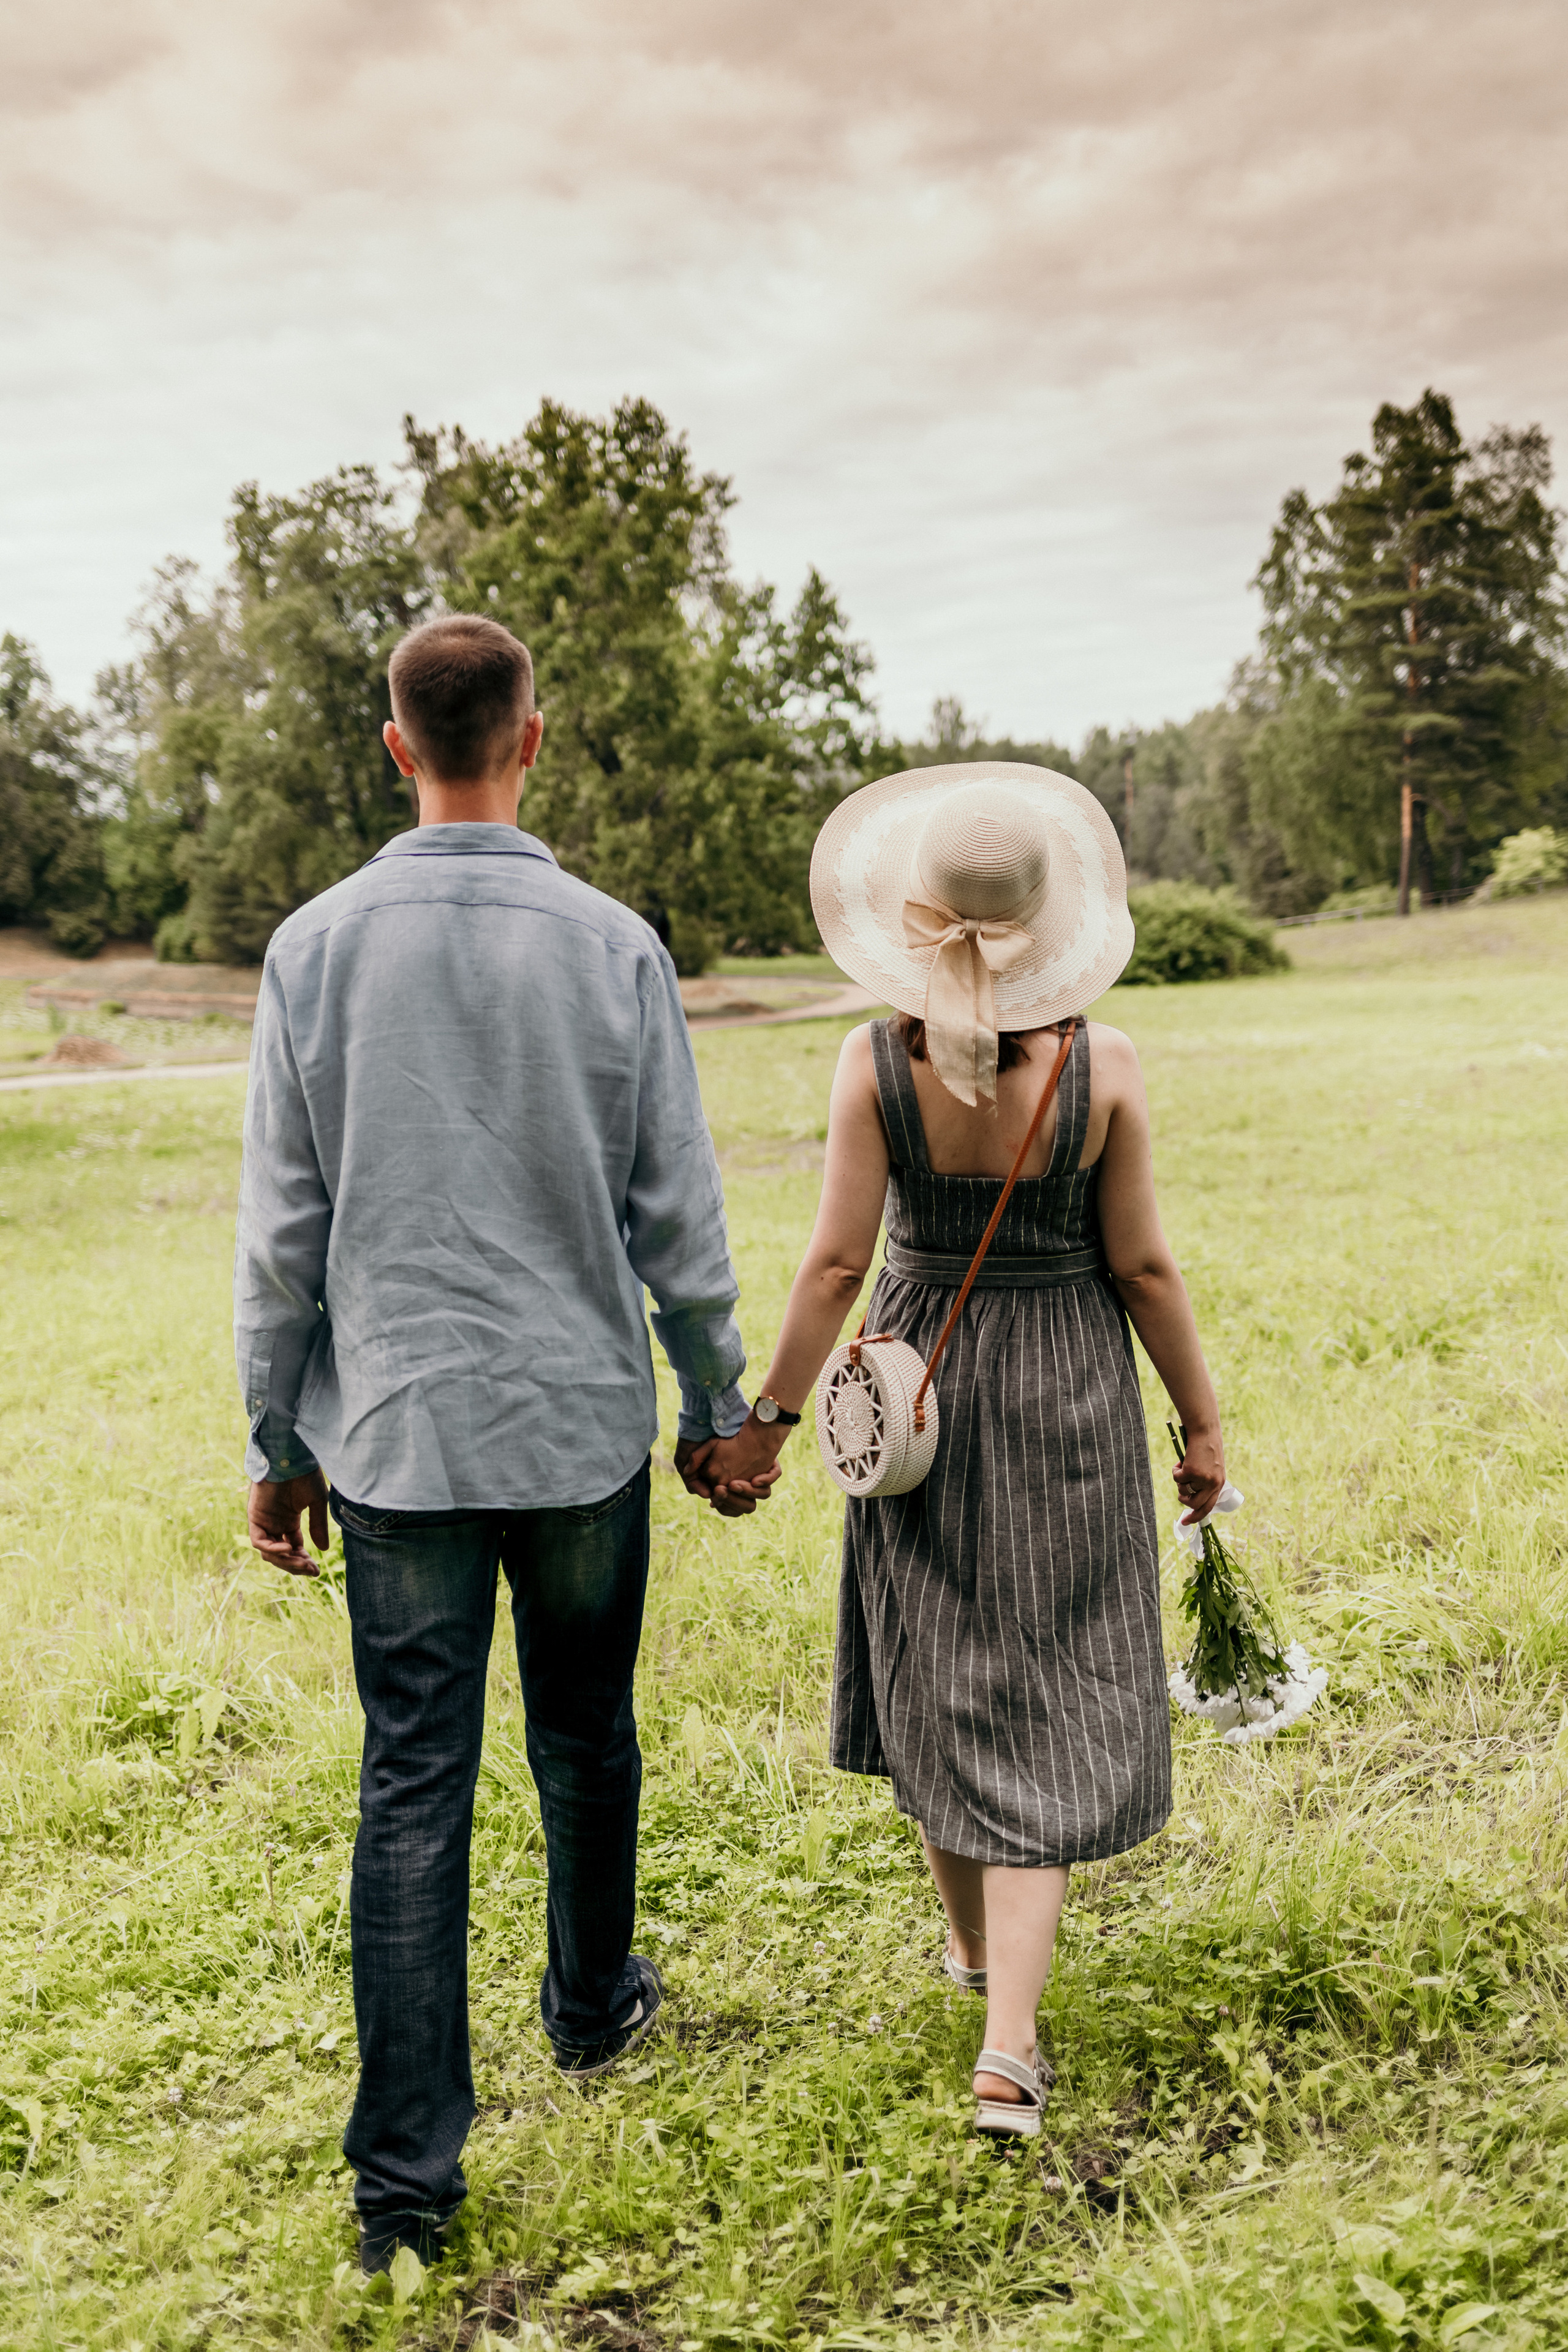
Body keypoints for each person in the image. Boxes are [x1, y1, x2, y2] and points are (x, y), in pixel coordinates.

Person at [236, 615, 764, 2274]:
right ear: (532, 735)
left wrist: (274, 1434)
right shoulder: (614, 947)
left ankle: (404, 2189)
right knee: (588, 1739)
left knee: (412, 1790)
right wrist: (720, 1402)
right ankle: (595, 2012)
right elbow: (679, 1213)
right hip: (581, 1425)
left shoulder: (311, 952)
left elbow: (283, 1235)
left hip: (395, 1435)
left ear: (398, 744)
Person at [695, 765, 1226, 2139]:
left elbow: (828, 1266)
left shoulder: (872, 1064)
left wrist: (764, 1423)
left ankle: (980, 1959)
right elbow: (1146, 1267)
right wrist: (1203, 1421)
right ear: (1053, 920)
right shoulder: (1102, 1064)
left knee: (932, 1663)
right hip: (1063, 1389)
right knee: (1042, 1687)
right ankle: (1005, 2048)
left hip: (913, 1390)